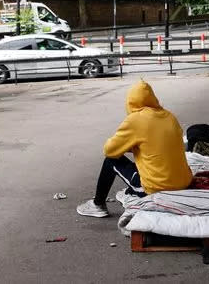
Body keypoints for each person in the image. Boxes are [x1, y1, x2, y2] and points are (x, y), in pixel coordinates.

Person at [77, 80, 192, 217]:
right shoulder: (169, 116)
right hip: (184, 182)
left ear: (131, 102)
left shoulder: (135, 119)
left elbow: (109, 150)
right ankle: (130, 191)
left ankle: (98, 204)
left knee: (111, 161)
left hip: (157, 187)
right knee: (146, 163)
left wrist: (127, 145)